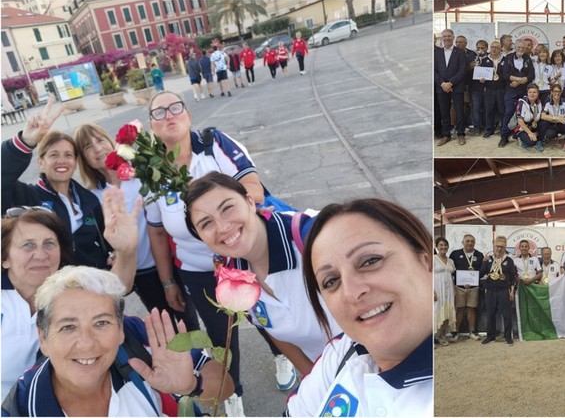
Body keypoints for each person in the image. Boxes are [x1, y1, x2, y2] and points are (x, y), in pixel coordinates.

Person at [143, 91, 268, 415]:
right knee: (221, 333)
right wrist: (168, 282)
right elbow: (157, 232)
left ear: (188, 114)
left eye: (175, 107)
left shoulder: (214, 145)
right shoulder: (153, 173)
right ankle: (234, 392)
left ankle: (281, 356)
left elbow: (255, 191)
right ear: (151, 126)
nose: (169, 115)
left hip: (242, 256)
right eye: (159, 112)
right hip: (197, 269)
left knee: (267, 319)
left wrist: (213, 206)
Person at [2, 266, 234, 416]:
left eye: (101, 323)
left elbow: (225, 385)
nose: (86, 343)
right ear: (43, 338)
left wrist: (191, 386)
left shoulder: (138, 340)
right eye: (68, 327)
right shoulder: (21, 408)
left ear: (120, 329)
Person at [182, 171, 341, 378]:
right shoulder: (233, 279)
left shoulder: (312, 236)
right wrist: (316, 382)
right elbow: (274, 330)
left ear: (249, 201)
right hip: (334, 379)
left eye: (227, 208)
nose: (222, 227)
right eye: (206, 223)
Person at [288, 198, 433, 416]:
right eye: (331, 281)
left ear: (426, 261)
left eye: (369, 261)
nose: (351, 292)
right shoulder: (343, 352)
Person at [1, 189, 139, 402]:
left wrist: (127, 251)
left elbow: (114, 288)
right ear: (5, 259)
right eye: (28, 245)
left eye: (49, 244)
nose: (40, 254)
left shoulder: (69, 291)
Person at [73, 124, 199, 330]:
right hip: (140, 272)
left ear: (111, 142)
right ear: (83, 158)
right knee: (165, 324)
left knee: (188, 318)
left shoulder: (141, 174)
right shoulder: (93, 196)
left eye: (100, 140)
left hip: (169, 261)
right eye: (88, 147)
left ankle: (199, 358)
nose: (97, 149)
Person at [2, 97, 111, 270]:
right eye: (53, 155)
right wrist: (25, 142)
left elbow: (107, 239)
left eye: (68, 155)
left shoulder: (88, 200)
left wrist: (114, 255)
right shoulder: (27, 198)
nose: (62, 161)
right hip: (50, 289)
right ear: (41, 162)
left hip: (94, 284)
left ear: (75, 162)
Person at [479, 236, 516, 346]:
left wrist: (512, 291)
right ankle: (490, 336)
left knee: (506, 314)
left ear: (505, 247)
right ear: (494, 247)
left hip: (504, 291)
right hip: (490, 290)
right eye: (497, 246)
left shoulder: (509, 260)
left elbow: (513, 278)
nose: (499, 249)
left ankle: (508, 336)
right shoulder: (488, 259)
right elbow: (481, 273)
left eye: (502, 247)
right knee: (490, 313)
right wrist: (483, 261)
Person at [498, 39, 535, 148]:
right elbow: (505, 74)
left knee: (523, 115)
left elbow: (531, 75)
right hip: (511, 91)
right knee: (508, 112)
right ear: (515, 47)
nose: (521, 49)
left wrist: (522, 80)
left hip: (524, 92)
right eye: (519, 47)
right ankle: (504, 136)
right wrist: (519, 79)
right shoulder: (508, 58)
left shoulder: (527, 58)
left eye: (523, 48)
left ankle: (518, 134)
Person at [435, 29, 467, 147]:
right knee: (444, 112)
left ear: (453, 38)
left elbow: (462, 70)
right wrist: (443, 84)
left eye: (449, 36)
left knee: (459, 111)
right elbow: (434, 70)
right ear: (442, 38)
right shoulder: (436, 52)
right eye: (445, 36)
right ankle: (446, 135)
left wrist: (451, 83)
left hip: (457, 86)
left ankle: (461, 134)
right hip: (441, 87)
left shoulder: (460, 52)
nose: (447, 38)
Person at [448, 234, 483, 341]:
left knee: (472, 309)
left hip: (473, 287)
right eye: (467, 241)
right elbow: (451, 270)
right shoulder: (455, 254)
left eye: (472, 241)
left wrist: (473, 279)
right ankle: (455, 332)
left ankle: (472, 331)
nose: (470, 243)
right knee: (460, 309)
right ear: (462, 242)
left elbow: (481, 271)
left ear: (475, 243)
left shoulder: (479, 255)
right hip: (459, 287)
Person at [480, 40, 505, 138]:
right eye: (492, 47)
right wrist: (481, 79)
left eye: (496, 47)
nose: (494, 49)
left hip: (501, 89)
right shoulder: (484, 60)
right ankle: (489, 129)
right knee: (489, 110)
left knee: (502, 110)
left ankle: (503, 129)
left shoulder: (505, 60)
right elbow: (481, 74)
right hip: (489, 89)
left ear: (500, 49)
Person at [434, 238, 455, 347]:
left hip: (449, 289)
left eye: (445, 245)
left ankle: (442, 335)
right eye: (441, 245)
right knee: (436, 311)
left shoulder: (451, 261)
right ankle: (433, 337)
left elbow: (452, 274)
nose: (443, 247)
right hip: (437, 289)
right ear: (436, 246)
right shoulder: (433, 259)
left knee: (447, 311)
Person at [539, 83, 565, 150]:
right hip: (553, 124)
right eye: (555, 91)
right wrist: (557, 118)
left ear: (561, 92)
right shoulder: (547, 102)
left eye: (558, 91)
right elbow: (542, 116)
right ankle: (555, 137)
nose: (557, 93)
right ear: (551, 92)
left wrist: (564, 119)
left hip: (563, 124)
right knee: (549, 134)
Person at [467, 40, 488, 137]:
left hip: (488, 87)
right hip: (475, 87)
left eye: (482, 48)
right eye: (478, 48)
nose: (480, 50)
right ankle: (477, 127)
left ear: (486, 48)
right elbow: (465, 70)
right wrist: (470, 67)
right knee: (476, 107)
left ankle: (486, 126)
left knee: (487, 107)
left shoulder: (490, 57)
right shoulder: (472, 57)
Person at [514, 83, 544, 151]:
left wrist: (536, 132)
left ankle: (539, 141)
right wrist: (530, 133)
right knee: (531, 142)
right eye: (530, 92)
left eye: (534, 92)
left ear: (538, 94)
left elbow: (538, 117)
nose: (532, 94)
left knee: (544, 123)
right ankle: (520, 137)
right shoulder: (522, 103)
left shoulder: (538, 103)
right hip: (522, 128)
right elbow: (520, 121)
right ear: (527, 93)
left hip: (533, 126)